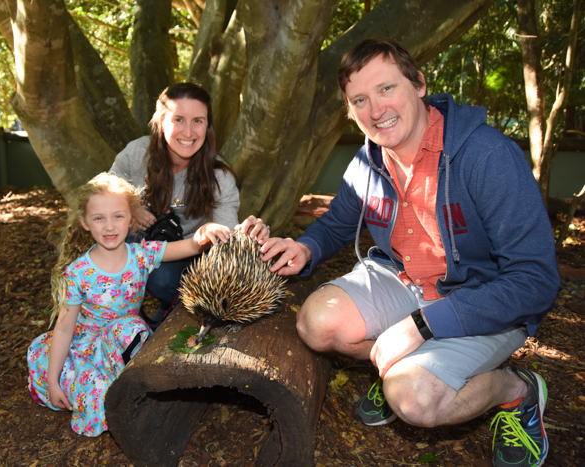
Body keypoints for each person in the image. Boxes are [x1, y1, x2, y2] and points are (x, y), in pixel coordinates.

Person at [261, 38, 559, 467]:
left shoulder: (486, 156)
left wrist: (423, 324)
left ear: (419, 84)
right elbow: (338, 224)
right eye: (359, 99)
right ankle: (406, 364)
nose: (376, 109)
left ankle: (516, 390)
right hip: (404, 279)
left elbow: (535, 280)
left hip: (484, 299)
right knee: (316, 323)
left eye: (387, 89)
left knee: (415, 400)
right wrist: (306, 246)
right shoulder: (366, 165)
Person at [27, 172, 231, 437]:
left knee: (134, 328)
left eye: (118, 216)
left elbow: (189, 246)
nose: (109, 226)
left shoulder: (142, 254)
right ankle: (68, 384)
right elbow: (64, 329)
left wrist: (204, 232)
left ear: (131, 219)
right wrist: (53, 380)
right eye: (99, 218)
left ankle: (121, 383)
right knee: (99, 396)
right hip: (85, 348)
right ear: (85, 223)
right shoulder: (78, 273)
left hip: (121, 342)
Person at [110, 83, 269, 325]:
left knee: (163, 280)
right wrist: (132, 209)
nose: (188, 132)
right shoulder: (136, 154)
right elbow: (100, 197)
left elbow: (227, 238)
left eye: (198, 121)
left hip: (189, 256)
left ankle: (172, 314)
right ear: (161, 121)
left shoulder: (218, 176)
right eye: (178, 119)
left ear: (208, 126)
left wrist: (248, 235)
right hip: (137, 246)